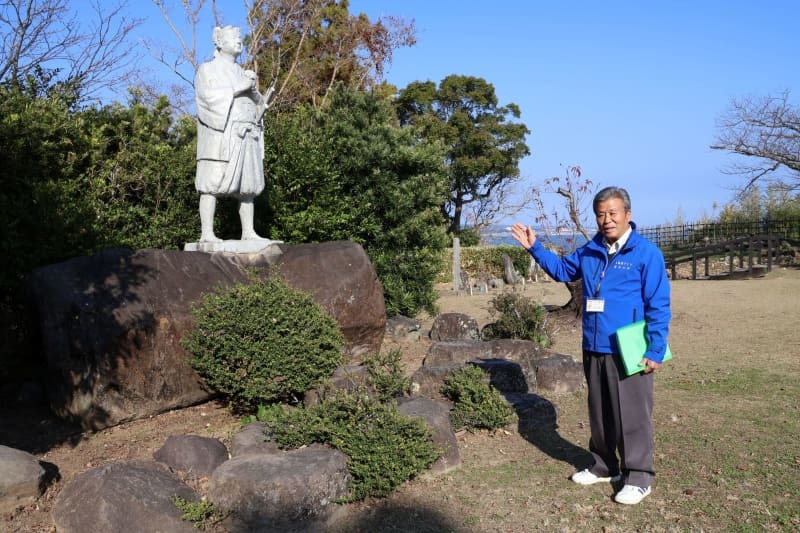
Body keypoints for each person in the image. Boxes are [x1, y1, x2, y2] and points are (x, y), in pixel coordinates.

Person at [511, 186, 671, 505]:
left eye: (613, 213)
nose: (606, 220)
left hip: (630, 347)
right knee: (599, 412)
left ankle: (638, 476)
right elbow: (561, 270)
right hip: (595, 344)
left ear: (628, 214)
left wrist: (655, 349)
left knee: (632, 414)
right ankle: (603, 466)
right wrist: (535, 247)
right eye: (600, 214)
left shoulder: (646, 253)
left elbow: (659, 304)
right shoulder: (591, 249)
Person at [194, 25, 274, 242]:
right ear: (219, 42)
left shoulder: (242, 72)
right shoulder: (207, 69)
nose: (240, 41)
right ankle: (207, 233)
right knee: (210, 184)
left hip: (245, 133)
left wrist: (259, 103)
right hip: (220, 136)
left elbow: (254, 103)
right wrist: (239, 87)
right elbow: (207, 98)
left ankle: (248, 232)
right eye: (234, 37)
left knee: (248, 186)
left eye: (240, 37)